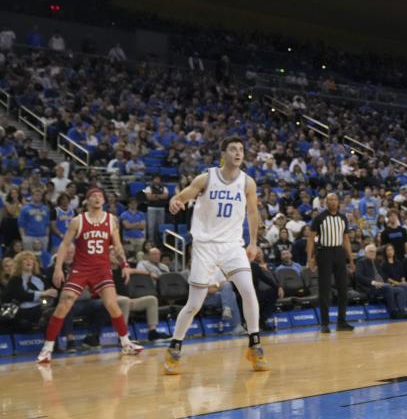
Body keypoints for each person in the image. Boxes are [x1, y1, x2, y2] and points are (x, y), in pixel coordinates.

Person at [162, 137, 267, 375]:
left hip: (232, 245)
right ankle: (174, 347)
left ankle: (255, 344)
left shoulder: (247, 182)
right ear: (224, 153)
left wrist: (253, 243)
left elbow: (252, 213)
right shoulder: (207, 177)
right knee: (194, 304)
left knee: (249, 292)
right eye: (233, 149)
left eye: (241, 149)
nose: (238, 153)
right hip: (205, 245)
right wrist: (175, 201)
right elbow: (183, 195)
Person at [36, 187, 143, 363]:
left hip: (102, 269)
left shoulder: (111, 220)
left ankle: (126, 343)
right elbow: (64, 245)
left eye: (100, 196)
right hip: (81, 268)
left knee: (112, 304)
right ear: (87, 200)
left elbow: (117, 246)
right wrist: (58, 267)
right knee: (65, 303)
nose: (97, 198)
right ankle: (47, 348)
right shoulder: (78, 221)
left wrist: (124, 264)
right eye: (93, 196)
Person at [306, 193, 355, 333]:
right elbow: (311, 239)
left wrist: (350, 259)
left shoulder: (343, 217)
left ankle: (342, 322)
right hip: (324, 253)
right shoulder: (319, 218)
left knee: (343, 289)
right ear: (325, 202)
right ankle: (325, 323)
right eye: (330, 200)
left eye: (334, 199)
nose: (333, 202)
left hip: (339, 253)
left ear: (338, 202)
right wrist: (310, 258)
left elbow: (346, 240)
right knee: (324, 289)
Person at [110, 254, 170, 342]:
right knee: (125, 301)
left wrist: (150, 274)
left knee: (151, 299)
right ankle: (123, 335)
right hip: (112, 301)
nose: (115, 255)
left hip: (127, 300)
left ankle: (152, 332)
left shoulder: (123, 270)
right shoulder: (104, 271)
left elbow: (135, 271)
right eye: (112, 253)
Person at [2, 251, 57, 328]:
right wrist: (43, 293)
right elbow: (22, 295)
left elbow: (50, 291)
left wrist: (51, 293)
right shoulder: (15, 279)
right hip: (20, 310)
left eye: (31, 259)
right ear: (19, 264)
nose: (29, 261)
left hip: (39, 308)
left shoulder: (40, 278)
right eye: (25, 259)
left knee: (57, 310)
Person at [354, 244, 407, 319]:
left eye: (374, 252)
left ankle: (402, 311)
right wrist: (373, 282)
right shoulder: (361, 262)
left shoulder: (376, 262)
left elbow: (383, 276)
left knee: (400, 290)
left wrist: (387, 283)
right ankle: (393, 312)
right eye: (371, 251)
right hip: (368, 287)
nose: (373, 253)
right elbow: (359, 276)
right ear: (365, 252)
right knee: (388, 287)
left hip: (381, 286)